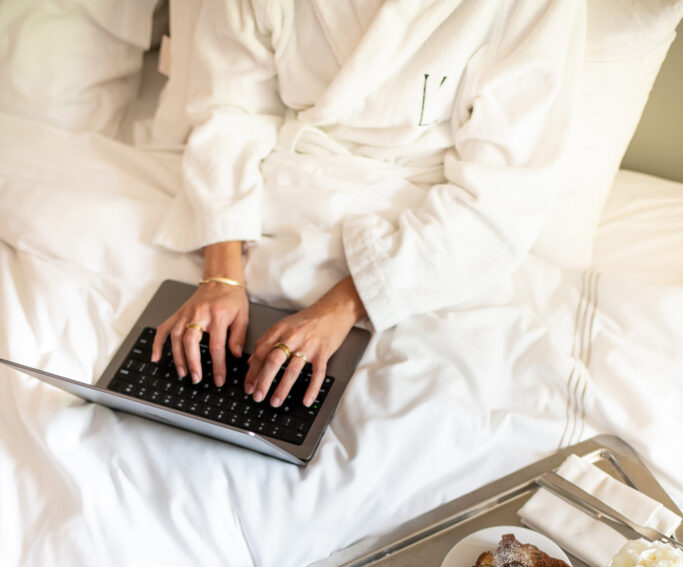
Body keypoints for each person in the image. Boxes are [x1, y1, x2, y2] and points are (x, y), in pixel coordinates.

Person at [153, 0, 584, 409]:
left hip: (423, 236)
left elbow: (503, 195)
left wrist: (343, 305)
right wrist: (222, 276)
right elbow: (230, 108)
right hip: (272, 191)